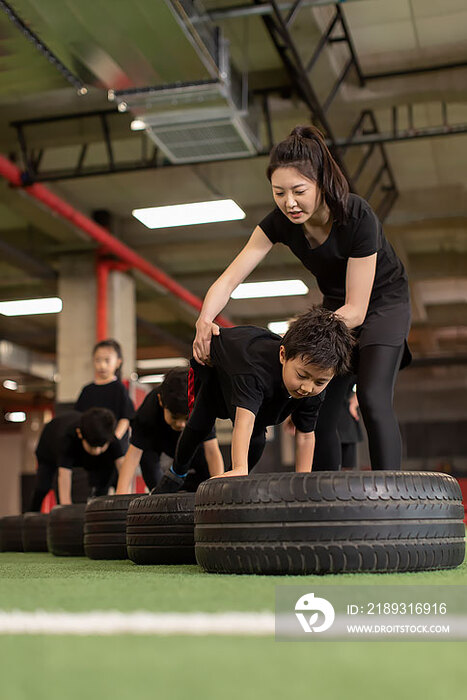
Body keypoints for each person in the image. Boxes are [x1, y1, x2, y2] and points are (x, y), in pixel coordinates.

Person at [192, 125, 411, 471]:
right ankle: (324, 504)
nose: (289, 202)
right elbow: (231, 277)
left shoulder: (357, 216)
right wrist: (205, 319)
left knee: (371, 396)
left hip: (383, 305)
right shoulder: (279, 223)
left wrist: (302, 336)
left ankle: (394, 500)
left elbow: (356, 310)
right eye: (279, 193)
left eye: (298, 191)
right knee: (321, 410)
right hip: (334, 308)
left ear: (321, 182)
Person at [153, 307, 353, 494]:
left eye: (320, 381)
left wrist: (302, 482)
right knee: (198, 427)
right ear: (283, 355)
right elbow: (243, 422)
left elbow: (306, 436)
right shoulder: (253, 369)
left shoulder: (314, 389)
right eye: (302, 376)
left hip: (262, 399)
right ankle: (176, 472)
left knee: (256, 442)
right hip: (220, 383)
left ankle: (229, 483)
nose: (307, 387)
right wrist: (240, 468)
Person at [116, 368, 224, 494]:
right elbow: (133, 455)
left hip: (194, 448)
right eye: (174, 417)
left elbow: (212, 451)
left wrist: (219, 490)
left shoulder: (201, 407)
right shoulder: (148, 411)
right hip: (161, 444)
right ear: (161, 401)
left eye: (186, 418)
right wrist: (120, 494)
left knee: (207, 484)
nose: (180, 424)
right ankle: (159, 495)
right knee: (147, 459)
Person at [30, 408, 125, 511]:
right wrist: (67, 511)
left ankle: (99, 510)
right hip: (49, 447)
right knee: (43, 486)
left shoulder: (109, 437)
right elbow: (64, 476)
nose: (97, 451)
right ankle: (32, 512)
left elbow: (124, 469)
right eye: (92, 447)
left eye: (101, 447)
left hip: (87, 452)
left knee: (104, 480)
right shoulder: (67, 439)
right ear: (80, 434)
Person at [75, 339, 135, 447]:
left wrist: (114, 439)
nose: (102, 365)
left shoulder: (119, 389)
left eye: (107, 360)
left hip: (114, 445)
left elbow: (125, 418)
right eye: (98, 360)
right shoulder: (87, 390)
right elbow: (79, 417)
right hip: (89, 444)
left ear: (118, 362)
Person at [337, 376, 363, 469]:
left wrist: (354, 403)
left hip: (346, 418)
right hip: (325, 417)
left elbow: (366, 380)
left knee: (347, 467)